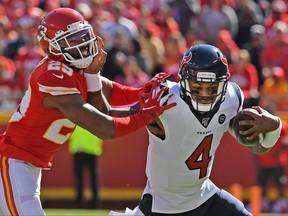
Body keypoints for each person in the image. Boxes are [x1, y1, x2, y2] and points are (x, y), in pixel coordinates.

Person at [0, 8, 176, 216]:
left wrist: (141, 93)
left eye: (82, 36)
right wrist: (145, 115)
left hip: (27, 165)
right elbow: (104, 127)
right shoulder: (52, 75)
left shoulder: (72, 69)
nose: (82, 43)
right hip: (14, 162)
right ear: (53, 46)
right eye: (72, 40)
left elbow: (110, 91)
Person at [109, 44, 282, 216]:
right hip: (162, 205)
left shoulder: (231, 98)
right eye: (197, 87)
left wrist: (275, 126)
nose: (205, 94)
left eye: (212, 88)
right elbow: (116, 116)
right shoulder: (165, 97)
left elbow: (259, 148)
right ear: (183, 82)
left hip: (202, 195)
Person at [69, 126, 103, 209]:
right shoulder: (96, 117)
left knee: (79, 178)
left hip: (79, 149)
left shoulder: (77, 115)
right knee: (94, 178)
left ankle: (79, 203)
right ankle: (95, 203)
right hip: (92, 149)